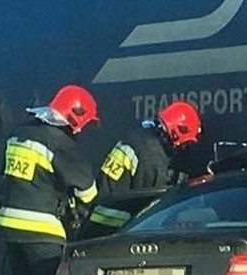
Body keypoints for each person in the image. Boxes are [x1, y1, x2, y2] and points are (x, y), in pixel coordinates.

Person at [0, 85, 99, 275]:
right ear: (75, 117)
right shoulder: (60, 144)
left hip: (12, 231)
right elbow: (88, 192)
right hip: (43, 233)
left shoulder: (20, 135)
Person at [85, 101, 203, 236]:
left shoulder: (139, 137)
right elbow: (151, 205)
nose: (184, 149)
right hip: (120, 227)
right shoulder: (153, 155)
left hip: (98, 222)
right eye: (185, 144)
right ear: (176, 132)